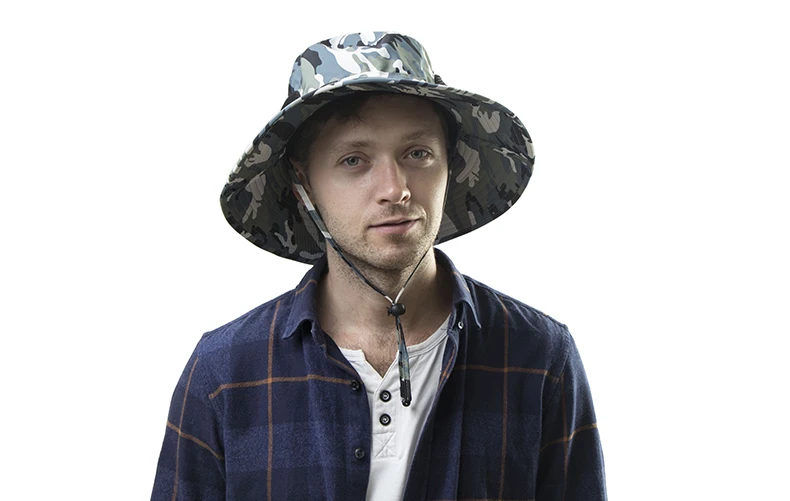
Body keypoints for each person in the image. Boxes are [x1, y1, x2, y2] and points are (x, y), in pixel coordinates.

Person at [151, 32, 606, 501]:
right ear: (303, 183)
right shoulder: (225, 372)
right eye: (354, 160)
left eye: (417, 154)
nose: (395, 189)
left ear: (450, 164)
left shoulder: (539, 357)